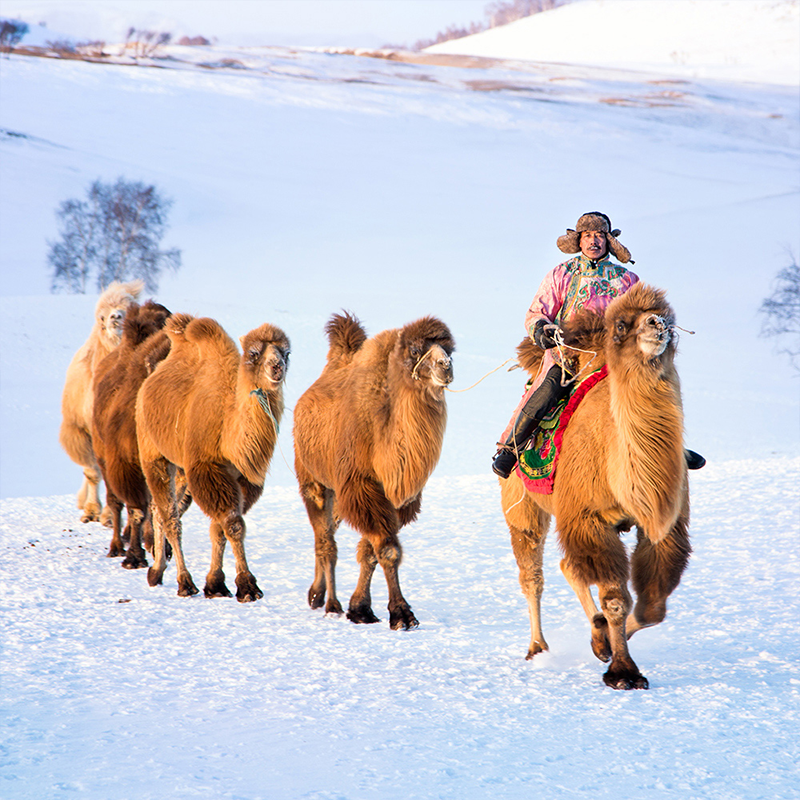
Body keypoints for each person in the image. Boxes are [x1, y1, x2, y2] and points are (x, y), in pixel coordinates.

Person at [491, 211, 705, 479]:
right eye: (588, 235)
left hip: (615, 355)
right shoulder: (561, 274)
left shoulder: (627, 279)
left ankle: (672, 447)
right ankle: (510, 448)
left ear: (608, 241)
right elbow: (537, 311)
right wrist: (541, 328)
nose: (594, 241)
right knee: (546, 391)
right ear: (579, 241)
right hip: (570, 354)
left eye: (600, 235)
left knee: (655, 385)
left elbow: (640, 313)